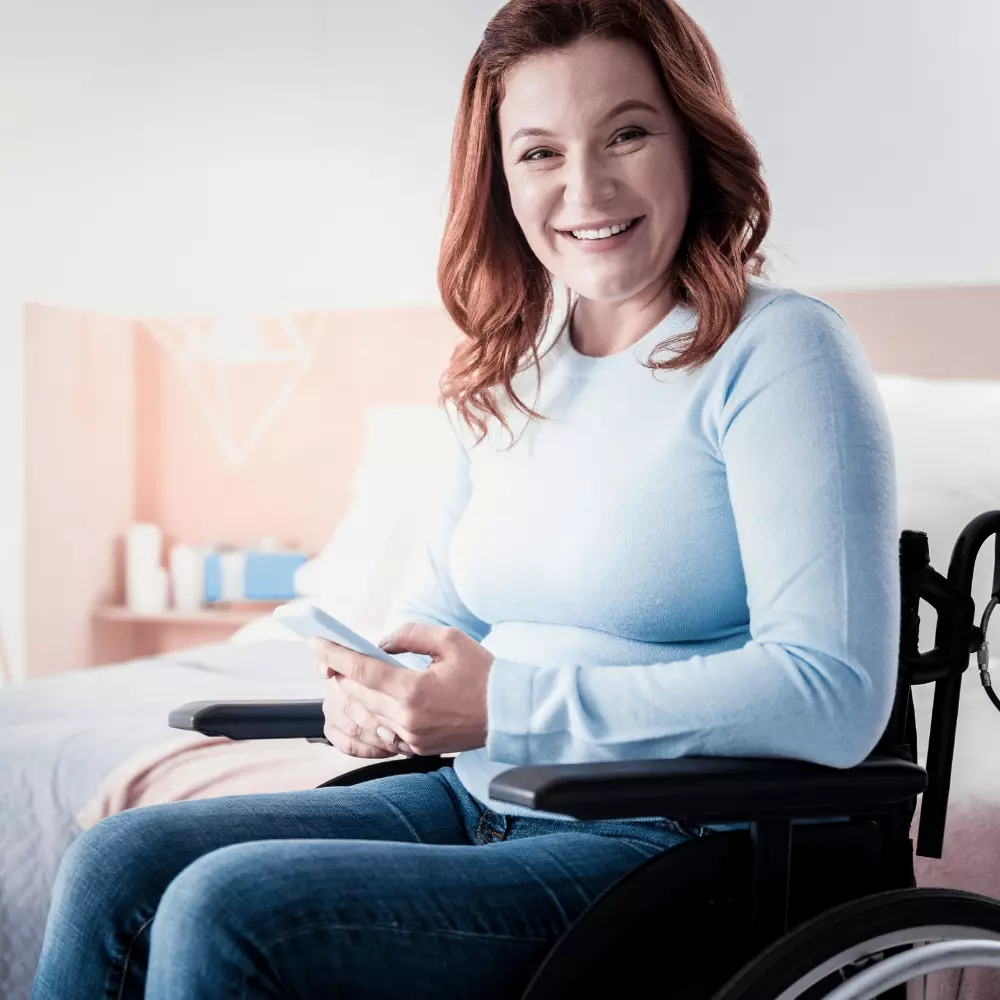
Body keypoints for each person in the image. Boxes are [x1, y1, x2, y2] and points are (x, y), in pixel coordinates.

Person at [31, 1, 900, 997]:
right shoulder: (505, 373)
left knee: (232, 909)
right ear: (498, 177)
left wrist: (507, 703)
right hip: (480, 793)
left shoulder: (778, 351)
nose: (586, 188)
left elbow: (832, 692)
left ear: (692, 140)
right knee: (121, 863)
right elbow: (443, 618)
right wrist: (373, 696)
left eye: (626, 133)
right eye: (539, 152)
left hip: (678, 838)